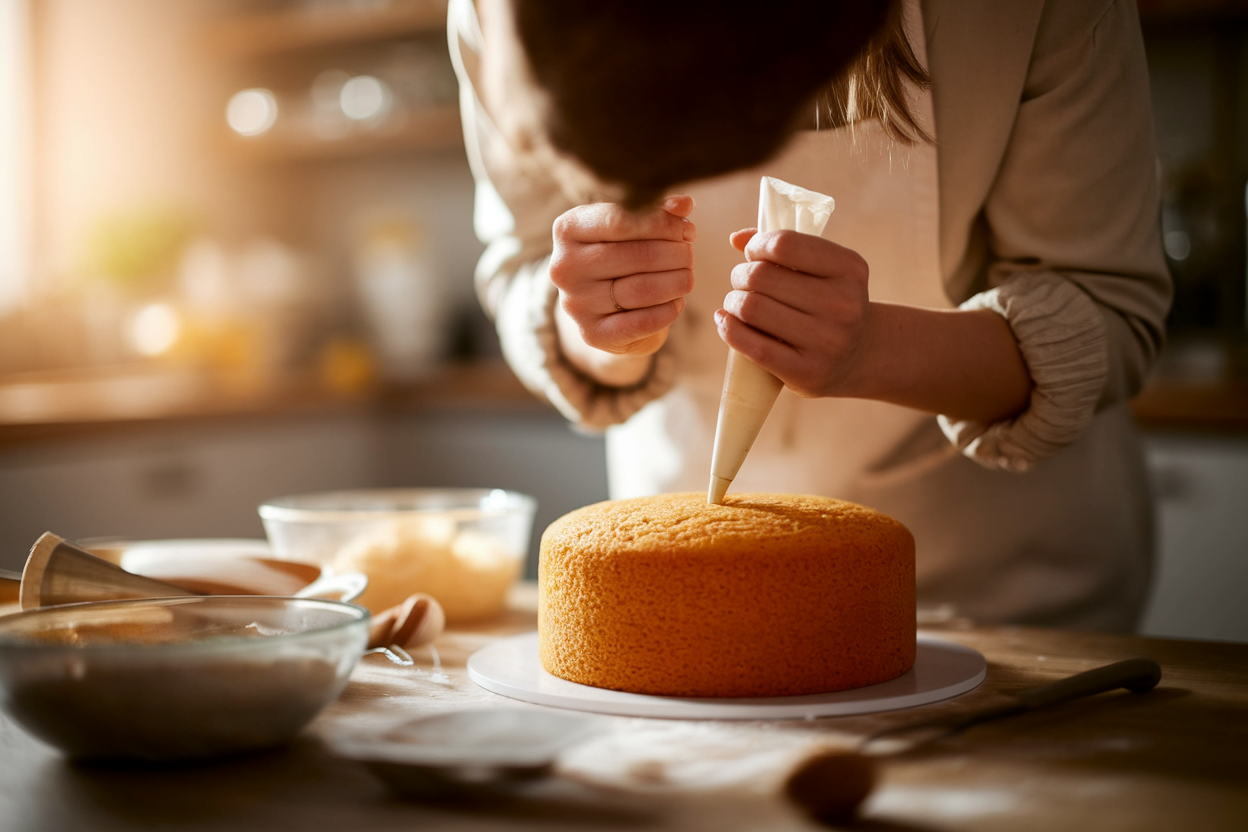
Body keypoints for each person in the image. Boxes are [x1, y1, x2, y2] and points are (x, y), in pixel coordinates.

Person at [447, 0, 1172, 631]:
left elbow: (1110, 305)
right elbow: (518, 260)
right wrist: (607, 331)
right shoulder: (499, 13)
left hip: (986, 585)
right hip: (688, 580)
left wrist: (875, 349)